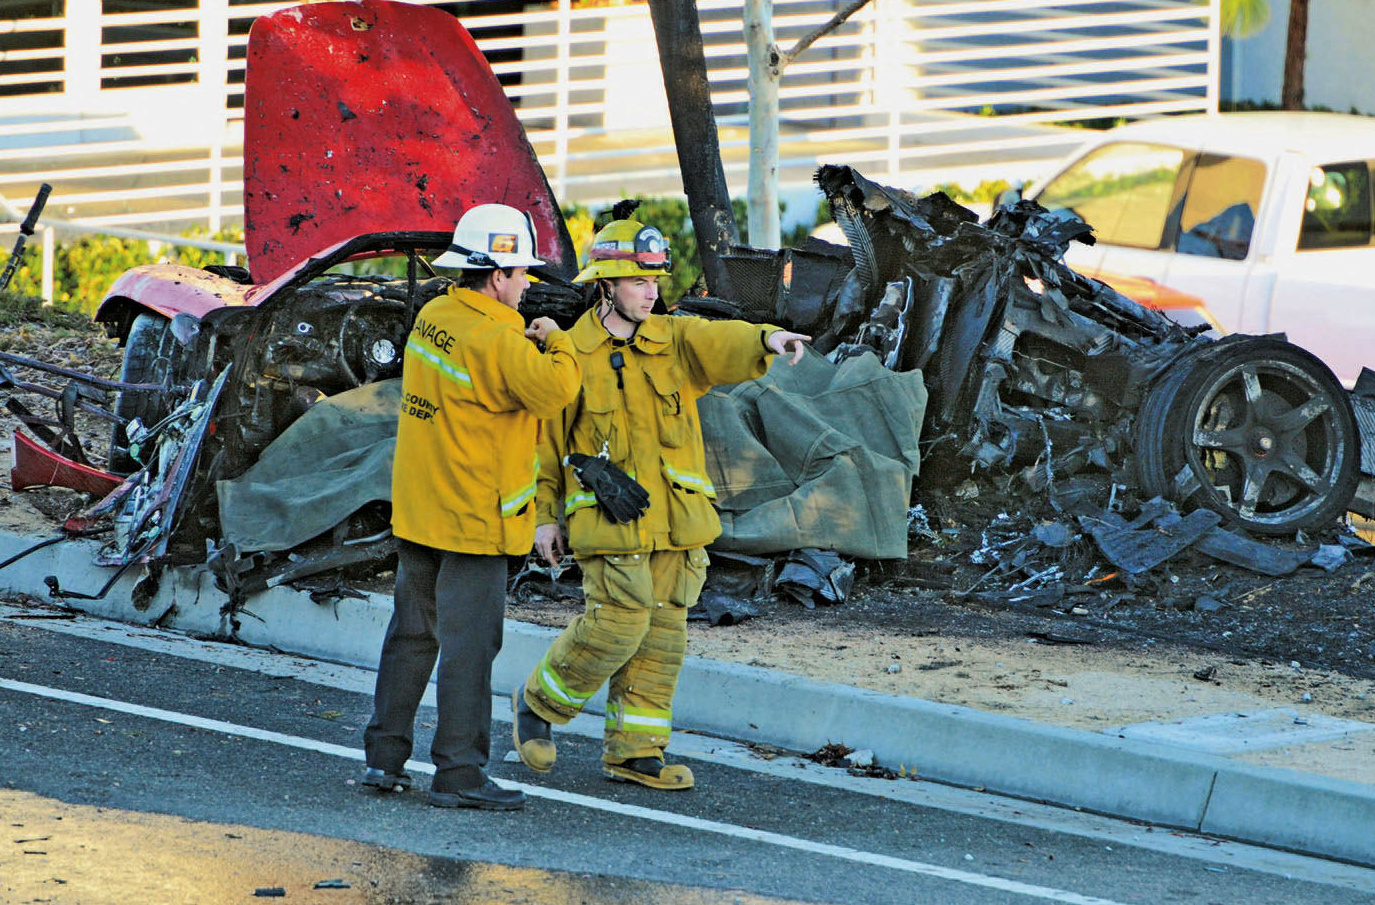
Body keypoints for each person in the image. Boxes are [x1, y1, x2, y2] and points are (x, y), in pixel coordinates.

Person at [511, 216, 809, 790]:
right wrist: (545, 518)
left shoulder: (673, 339)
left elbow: (721, 341)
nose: (652, 292)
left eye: (655, 282)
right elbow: (545, 445)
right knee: (619, 624)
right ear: (607, 285)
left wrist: (766, 338)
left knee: (663, 636)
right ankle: (539, 706)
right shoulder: (571, 352)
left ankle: (636, 752)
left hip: (676, 522)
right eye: (638, 283)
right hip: (609, 521)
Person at [362, 203, 581, 810]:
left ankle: (384, 758)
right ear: (495, 275)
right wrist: (556, 341)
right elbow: (558, 392)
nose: (528, 284)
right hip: (476, 521)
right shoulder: (502, 337)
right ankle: (459, 773)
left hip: (422, 510)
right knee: (469, 651)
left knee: (411, 636)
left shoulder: (436, 314)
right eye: (521, 273)